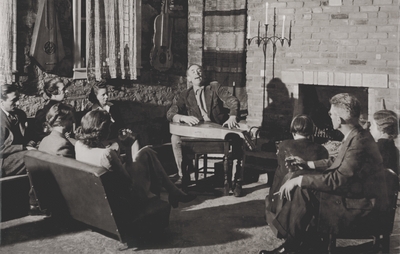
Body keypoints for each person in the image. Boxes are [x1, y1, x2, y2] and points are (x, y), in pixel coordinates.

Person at [259, 93, 386, 254]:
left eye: (331, 113)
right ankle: (298, 241)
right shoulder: (356, 136)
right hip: (356, 196)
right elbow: (337, 162)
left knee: (303, 186)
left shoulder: (358, 142)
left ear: (339, 120)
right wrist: (308, 164)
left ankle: (291, 244)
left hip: (359, 207)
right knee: (304, 183)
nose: (329, 115)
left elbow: (338, 179)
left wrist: (300, 180)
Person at [75, 109, 196, 208]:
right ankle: (173, 191)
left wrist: (117, 156)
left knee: (147, 151)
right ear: (102, 130)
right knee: (148, 154)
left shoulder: (79, 145)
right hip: (126, 197)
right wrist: (127, 147)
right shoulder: (106, 154)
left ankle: (173, 191)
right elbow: (128, 180)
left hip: (103, 194)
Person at [166, 64, 242, 194]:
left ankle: (236, 181)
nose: (197, 73)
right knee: (175, 138)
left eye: (199, 71)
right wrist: (182, 117)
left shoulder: (214, 87)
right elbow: (170, 113)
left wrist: (232, 116)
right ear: (189, 78)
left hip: (217, 129)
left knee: (237, 138)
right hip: (198, 133)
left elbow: (233, 100)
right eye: (193, 72)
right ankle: (182, 175)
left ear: (203, 75)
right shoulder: (185, 94)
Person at [265, 115, 329, 229]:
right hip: (309, 193)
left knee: (279, 172)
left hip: (283, 193)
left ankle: (272, 206)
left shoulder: (283, 145)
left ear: (293, 131)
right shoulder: (322, 150)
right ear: (311, 132)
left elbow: (281, 171)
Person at [0, 84, 37, 177]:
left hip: (21, 154)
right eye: (13, 101)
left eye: (17, 99)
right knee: (34, 158)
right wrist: (23, 148)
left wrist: (31, 143)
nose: (18, 104)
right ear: (1, 101)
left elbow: (29, 135)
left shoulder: (20, 114)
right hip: (4, 161)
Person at [34, 77, 68, 142]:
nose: (66, 91)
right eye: (63, 89)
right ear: (54, 92)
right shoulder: (43, 113)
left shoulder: (65, 108)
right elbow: (39, 136)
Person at [369, 109, 399, 175]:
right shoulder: (391, 145)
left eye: (373, 125)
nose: (370, 128)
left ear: (382, 129)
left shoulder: (376, 148)